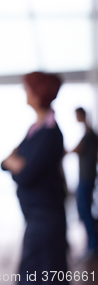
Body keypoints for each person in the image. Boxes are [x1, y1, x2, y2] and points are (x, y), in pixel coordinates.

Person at [2, 72, 68, 285]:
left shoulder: (50, 134)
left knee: (44, 276)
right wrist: (17, 163)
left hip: (46, 220)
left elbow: (26, 175)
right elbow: (5, 163)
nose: (25, 92)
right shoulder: (35, 129)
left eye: (28, 88)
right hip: (35, 218)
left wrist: (17, 162)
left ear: (38, 93)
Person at [72, 107, 98, 257]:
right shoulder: (89, 134)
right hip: (87, 176)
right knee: (85, 209)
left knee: (84, 209)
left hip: (86, 177)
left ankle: (93, 244)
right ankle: (92, 243)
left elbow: (76, 149)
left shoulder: (89, 135)